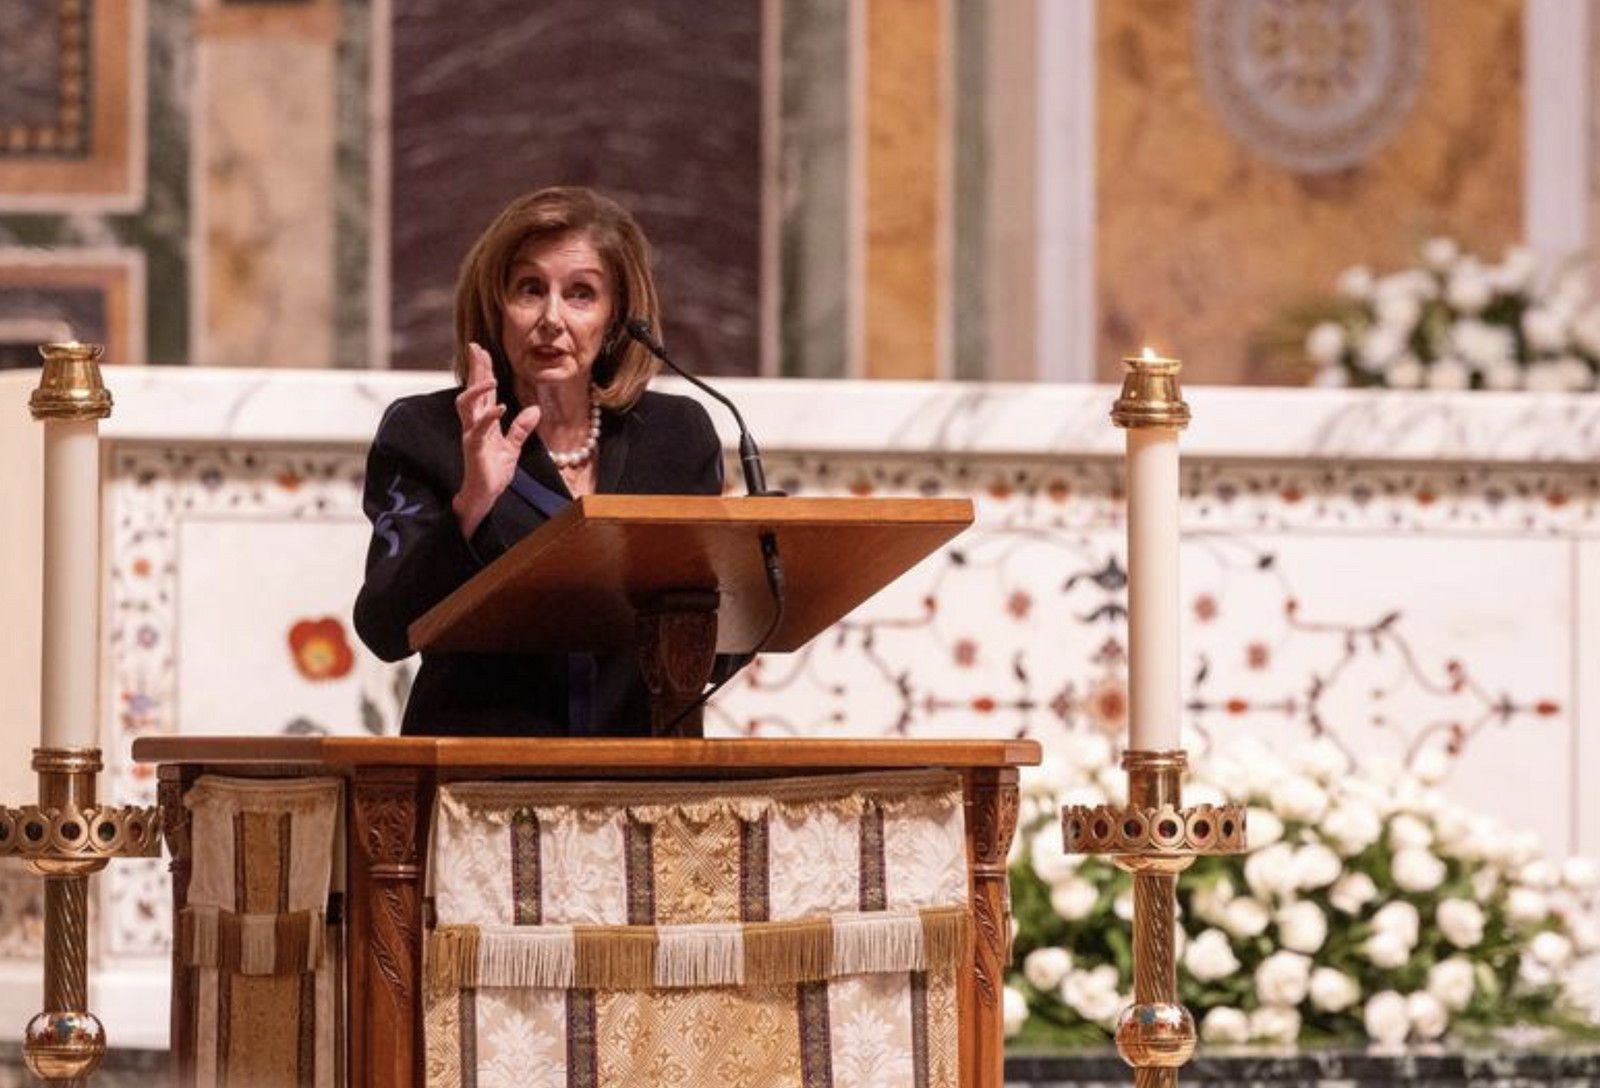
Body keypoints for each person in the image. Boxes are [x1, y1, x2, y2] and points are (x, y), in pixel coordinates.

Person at [353, 186, 725, 736]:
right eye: (530, 289)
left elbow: (717, 631)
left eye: (581, 294)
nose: (551, 318)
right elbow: (385, 628)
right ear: (495, 305)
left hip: (643, 777)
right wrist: (471, 504)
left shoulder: (675, 436)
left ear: (617, 317)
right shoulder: (428, 433)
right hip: (478, 781)